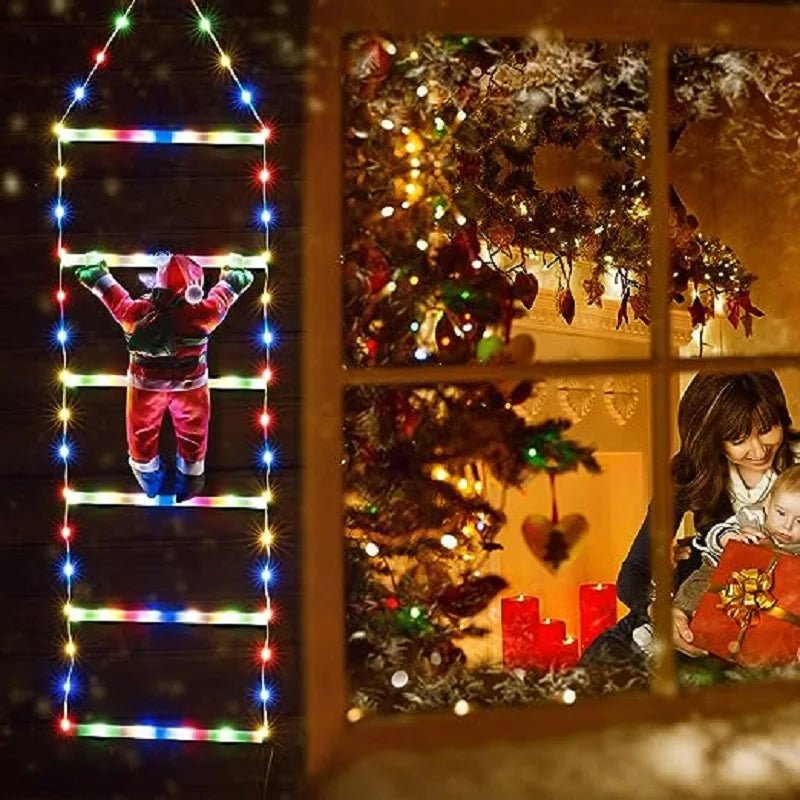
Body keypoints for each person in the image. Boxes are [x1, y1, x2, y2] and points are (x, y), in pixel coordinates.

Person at [581, 370, 800, 665]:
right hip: (704, 602)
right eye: (738, 439)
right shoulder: (690, 474)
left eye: (766, 429)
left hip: (783, 613)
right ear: (713, 438)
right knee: (607, 664)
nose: (759, 450)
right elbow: (635, 569)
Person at [74, 252, 254, 502]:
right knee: (194, 433)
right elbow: (222, 298)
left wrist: (98, 277)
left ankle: (148, 477)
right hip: (191, 388)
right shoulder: (201, 314)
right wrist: (233, 279)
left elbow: (117, 300)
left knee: (140, 433)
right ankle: (190, 479)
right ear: (194, 288)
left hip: (145, 388)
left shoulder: (140, 312)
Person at [674, 464, 800, 618]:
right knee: (693, 596)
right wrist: (729, 538)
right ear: (767, 503)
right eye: (781, 513)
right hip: (721, 572)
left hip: (767, 592)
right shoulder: (752, 518)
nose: (787, 526)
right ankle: (659, 626)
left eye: (799, 521)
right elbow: (716, 533)